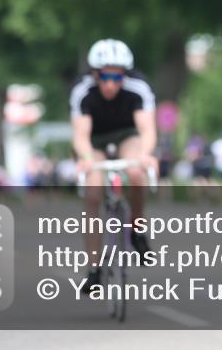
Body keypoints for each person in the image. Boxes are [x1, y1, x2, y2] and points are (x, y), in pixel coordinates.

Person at [70, 39, 158, 293]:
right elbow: (80, 135)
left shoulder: (138, 87)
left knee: (135, 172)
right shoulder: (82, 90)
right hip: (94, 140)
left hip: (126, 134)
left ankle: (137, 230)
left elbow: (147, 129)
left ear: (125, 74)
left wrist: (145, 155)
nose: (111, 83)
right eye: (105, 76)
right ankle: (94, 269)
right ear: (95, 74)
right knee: (94, 191)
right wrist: (86, 158)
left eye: (117, 76)